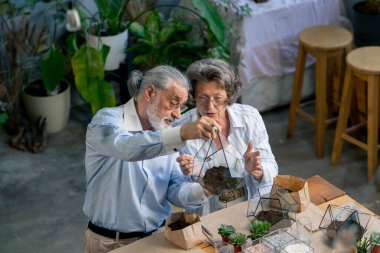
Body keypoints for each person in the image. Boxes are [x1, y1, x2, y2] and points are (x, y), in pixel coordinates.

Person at [83, 65, 220, 253]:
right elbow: (127, 148)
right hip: (111, 243)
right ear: (150, 93)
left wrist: (205, 188)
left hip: (160, 238)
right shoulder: (107, 121)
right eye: (174, 103)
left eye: (181, 107)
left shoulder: (166, 133)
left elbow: (175, 190)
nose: (178, 114)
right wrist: (182, 132)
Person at [175, 58, 278, 216]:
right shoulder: (180, 130)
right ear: (193, 96)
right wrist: (202, 184)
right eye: (203, 98)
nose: (210, 107)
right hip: (207, 214)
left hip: (251, 206)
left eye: (217, 98)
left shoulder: (249, 117)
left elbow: (271, 167)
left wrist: (257, 170)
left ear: (229, 95)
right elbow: (180, 194)